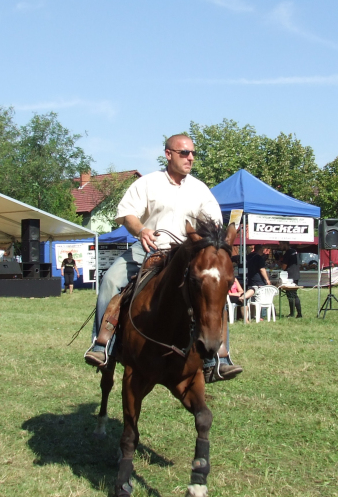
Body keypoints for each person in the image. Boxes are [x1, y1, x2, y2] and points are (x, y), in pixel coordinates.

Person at [83, 134, 242, 380]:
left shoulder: (200, 189)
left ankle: (218, 358)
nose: (190, 158)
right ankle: (103, 345)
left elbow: (213, 223)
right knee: (110, 281)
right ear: (168, 154)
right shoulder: (148, 183)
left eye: (192, 154)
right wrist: (141, 230)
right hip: (149, 248)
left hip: (186, 254)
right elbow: (128, 215)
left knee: (213, 293)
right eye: (184, 153)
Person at [239, 244, 271, 321]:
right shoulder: (259, 258)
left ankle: (253, 315)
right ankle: (256, 315)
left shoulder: (249, 257)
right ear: (260, 250)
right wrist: (267, 279)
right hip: (258, 280)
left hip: (250, 279)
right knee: (258, 299)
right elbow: (262, 269)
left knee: (253, 299)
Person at [279, 241, 302, 318]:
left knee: (292, 295)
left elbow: (284, 267)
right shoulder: (294, 251)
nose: (280, 246)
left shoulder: (288, 253)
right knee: (293, 295)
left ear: (285, 244)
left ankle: (296, 313)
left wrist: (280, 263)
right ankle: (296, 313)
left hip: (290, 276)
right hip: (296, 275)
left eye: (281, 244)